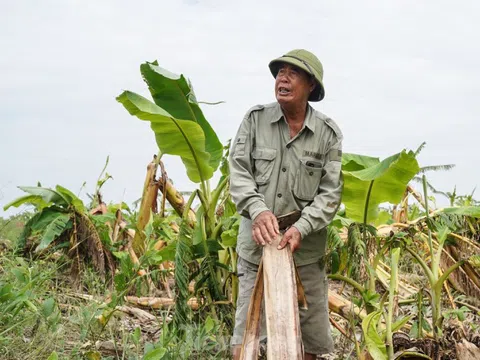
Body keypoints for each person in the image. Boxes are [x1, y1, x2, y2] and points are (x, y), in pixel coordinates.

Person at [228, 49, 343, 359]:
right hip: (257, 244)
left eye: (293, 73)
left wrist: (302, 227)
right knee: (248, 334)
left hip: (304, 250)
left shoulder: (327, 135)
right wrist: (257, 209)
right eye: (280, 72)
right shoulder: (255, 121)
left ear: (311, 86)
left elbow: (330, 194)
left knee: (312, 338)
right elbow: (238, 172)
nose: (282, 77)